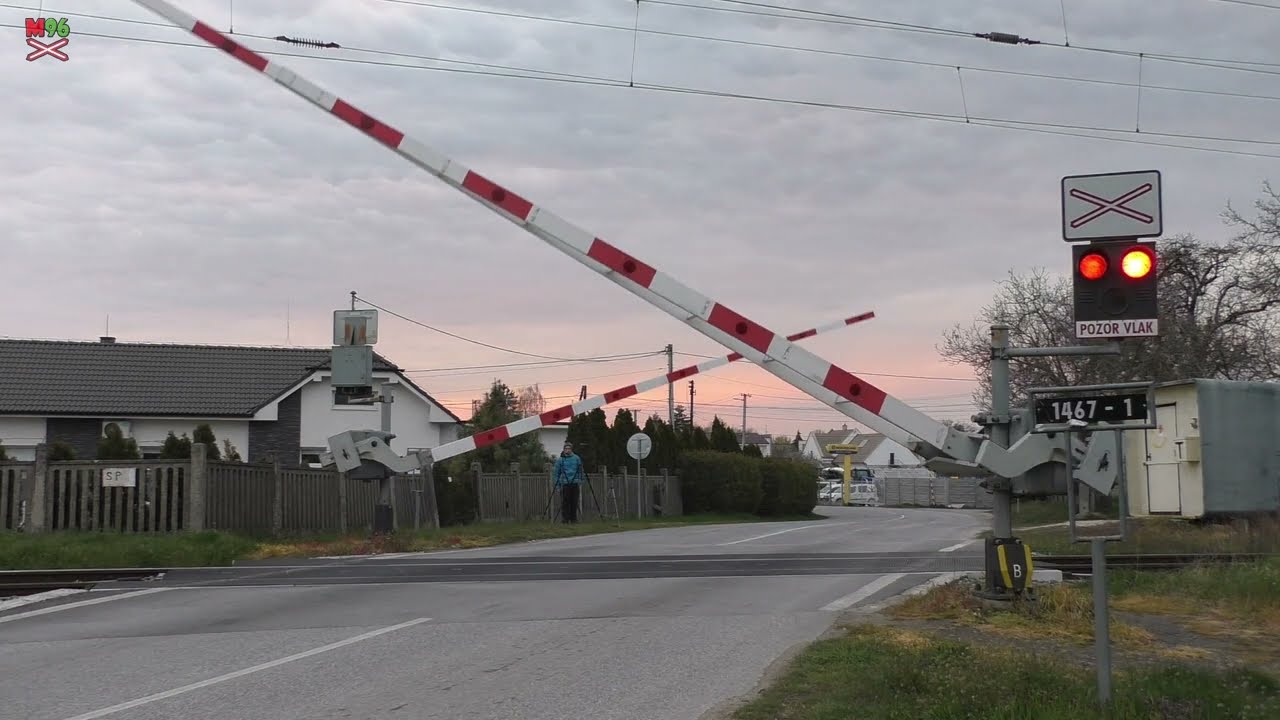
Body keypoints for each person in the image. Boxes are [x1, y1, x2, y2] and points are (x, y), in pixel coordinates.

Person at [552, 441, 585, 523]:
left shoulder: (576, 458)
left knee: (574, 502)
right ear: (563, 450)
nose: (567, 450)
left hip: (575, 482)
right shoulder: (560, 460)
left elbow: (581, 471)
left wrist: (581, 480)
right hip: (564, 483)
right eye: (566, 448)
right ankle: (565, 519)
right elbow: (556, 473)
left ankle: (573, 519)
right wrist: (558, 486)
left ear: (571, 449)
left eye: (569, 448)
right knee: (565, 502)